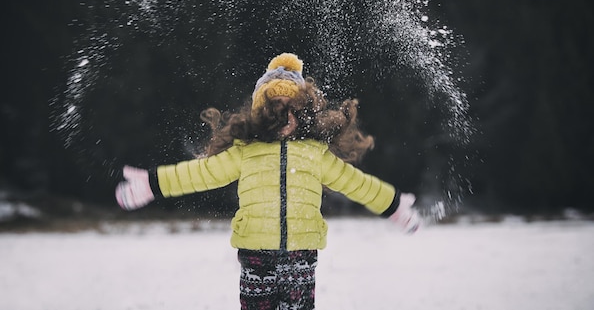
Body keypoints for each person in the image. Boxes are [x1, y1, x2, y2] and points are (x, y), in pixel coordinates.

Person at [115, 53, 420, 310]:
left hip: (301, 254)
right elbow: (200, 174)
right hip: (255, 255)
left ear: (304, 111)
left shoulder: (315, 154)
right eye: (275, 107)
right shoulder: (246, 152)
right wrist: (152, 184)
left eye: (291, 107)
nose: (283, 114)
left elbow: (356, 183)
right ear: (261, 112)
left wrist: (392, 204)